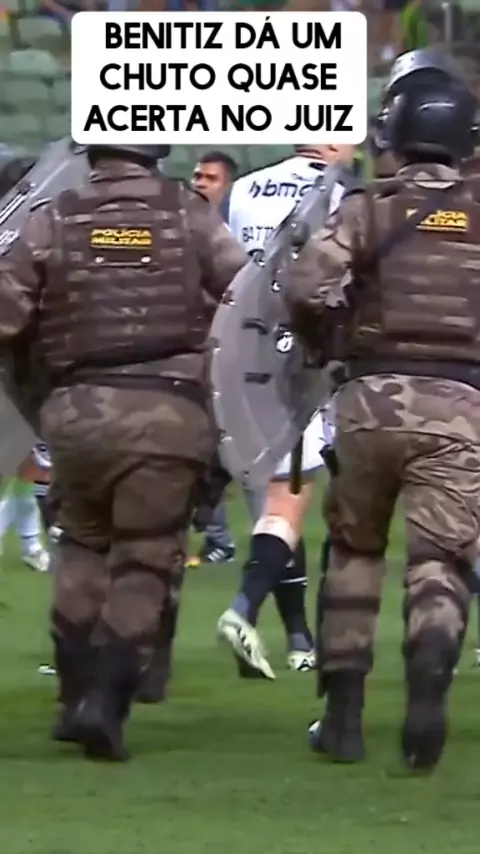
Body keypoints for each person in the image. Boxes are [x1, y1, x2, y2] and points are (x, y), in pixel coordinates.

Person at [0, 142, 247, 762]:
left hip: (75, 411)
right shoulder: (189, 214)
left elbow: (8, 313)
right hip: (170, 411)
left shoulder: (53, 217)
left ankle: (72, 696)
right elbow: (247, 300)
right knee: (144, 557)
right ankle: (106, 705)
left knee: (81, 545)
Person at [281, 49, 480, 771]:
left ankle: (343, 718)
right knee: (441, 559)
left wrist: (326, 338)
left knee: (355, 551)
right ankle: (428, 687)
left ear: (394, 133)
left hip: (370, 398)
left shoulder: (367, 208)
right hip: (461, 406)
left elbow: (305, 287)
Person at [217, 143, 356, 680]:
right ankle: (255, 613)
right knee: (310, 507)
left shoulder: (244, 189)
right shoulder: (348, 194)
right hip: (312, 367)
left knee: (274, 503)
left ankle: (296, 637)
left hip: (243, 362)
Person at [187, 150, 239, 567]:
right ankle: (215, 534)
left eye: (210, 178)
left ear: (229, 185)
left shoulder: (233, 229)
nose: (200, 183)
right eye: (197, 176)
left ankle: (219, 535)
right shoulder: (186, 224)